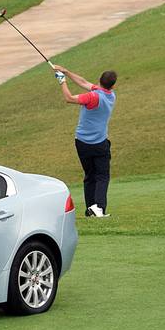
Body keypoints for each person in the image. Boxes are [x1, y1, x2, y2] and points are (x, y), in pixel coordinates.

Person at [48, 62, 116, 217]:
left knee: (90, 176)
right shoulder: (110, 95)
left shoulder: (92, 97)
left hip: (82, 142)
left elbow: (69, 98)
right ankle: (98, 208)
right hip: (99, 144)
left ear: (100, 80)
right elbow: (84, 82)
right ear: (111, 86)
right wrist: (66, 71)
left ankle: (91, 208)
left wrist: (62, 81)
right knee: (102, 176)